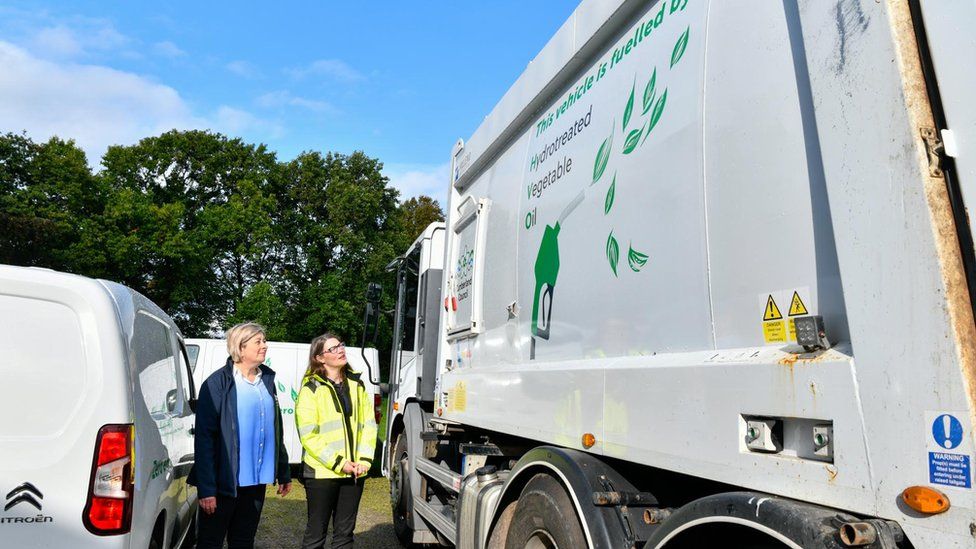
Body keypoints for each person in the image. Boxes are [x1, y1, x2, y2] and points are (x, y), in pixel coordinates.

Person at [188, 322, 291, 549]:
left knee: (244, 541)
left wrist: (283, 471)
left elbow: (276, 430)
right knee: (210, 542)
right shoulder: (217, 384)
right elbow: (204, 440)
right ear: (240, 348)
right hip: (224, 482)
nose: (265, 346)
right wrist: (207, 489)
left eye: (264, 341)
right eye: (259, 341)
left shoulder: (267, 381)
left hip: (255, 481)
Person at [296, 333, 378, 549]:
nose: (340, 350)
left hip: (355, 472)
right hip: (322, 473)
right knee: (316, 535)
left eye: (340, 345)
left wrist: (364, 460)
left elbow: (369, 425)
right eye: (332, 348)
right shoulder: (311, 389)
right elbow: (308, 436)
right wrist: (340, 462)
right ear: (320, 358)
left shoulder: (357, 385)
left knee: (345, 536)